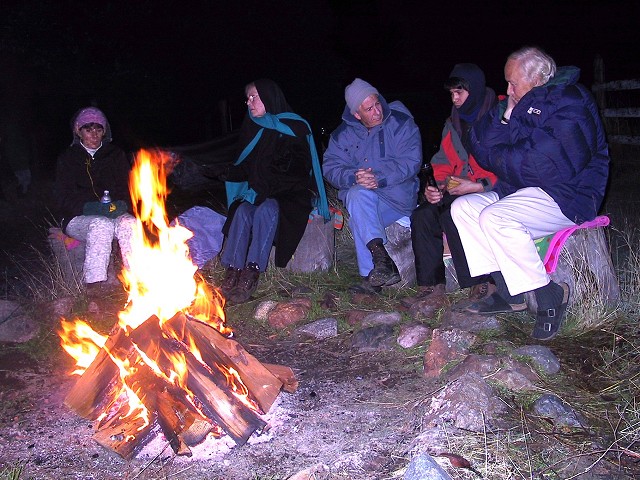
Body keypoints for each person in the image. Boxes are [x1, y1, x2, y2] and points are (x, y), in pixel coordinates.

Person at [451, 46, 610, 340]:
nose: (507, 89)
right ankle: (511, 292)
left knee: (495, 217)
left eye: (513, 82)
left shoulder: (570, 101)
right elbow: (479, 144)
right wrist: (506, 117)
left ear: (537, 78)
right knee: (463, 208)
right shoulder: (517, 104)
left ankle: (550, 295)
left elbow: (543, 165)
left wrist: (502, 155)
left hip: (568, 195)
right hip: (523, 189)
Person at [219, 79, 329, 304]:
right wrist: (213, 172)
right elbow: (243, 166)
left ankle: (252, 271)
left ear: (269, 98)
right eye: (247, 98)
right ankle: (232, 271)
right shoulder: (254, 127)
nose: (249, 103)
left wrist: (264, 190)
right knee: (242, 211)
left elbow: (297, 172)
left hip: (291, 195)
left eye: (254, 97)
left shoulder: (295, 127)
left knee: (266, 209)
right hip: (262, 192)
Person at [404, 64, 499, 310]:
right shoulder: (454, 122)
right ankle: (431, 286)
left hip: (490, 190)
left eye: (460, 92)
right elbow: (442, 163)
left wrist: (478, 185)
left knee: (451, 214)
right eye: (452, 93)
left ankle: (481, 281)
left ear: (475, 90)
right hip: (458, 189)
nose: (454, 98)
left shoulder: (498, 116)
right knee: (423, 214)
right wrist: (435, 187)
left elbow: (510, 165)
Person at [323, 78, 422, 294]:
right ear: (356, 114)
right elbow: (330, 168)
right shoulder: (342, 135)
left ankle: (370, 274)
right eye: (369, 109)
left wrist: (379, 178)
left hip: (396, 197)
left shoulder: (401, 123)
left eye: (377, 104)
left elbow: (411, 161)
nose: (377, 111)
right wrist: (352, 176)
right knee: (357, 196)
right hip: (364, 196)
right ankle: (381, 260)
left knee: (359, 210)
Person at [54, 106, 136, 290]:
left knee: (131, 224)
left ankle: (138, 282)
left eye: (98, 129)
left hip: (113, 213)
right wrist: (90, 208)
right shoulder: (68, 158)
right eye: (88, 129)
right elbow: (62, 199)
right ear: (78, 130)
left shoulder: (115, 155)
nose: (94, 134)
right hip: (77, 218)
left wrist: (121, 205)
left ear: (104, 131)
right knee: (101, 225)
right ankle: (95, 286)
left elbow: (127, 189)